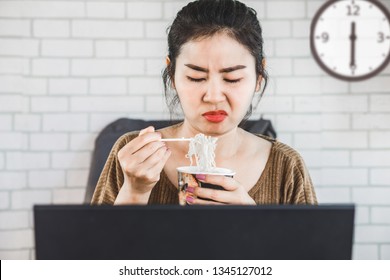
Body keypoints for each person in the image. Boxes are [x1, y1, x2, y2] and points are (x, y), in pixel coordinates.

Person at [91, 0, 317, 205]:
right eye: (196, 78)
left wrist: (253, 223)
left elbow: (314, 251)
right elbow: (94, 250)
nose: (214, 96)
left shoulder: (286, 166)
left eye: (232, 78)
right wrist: (135, 191)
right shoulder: (131, 156)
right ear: (172, 76)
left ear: (259, 77)